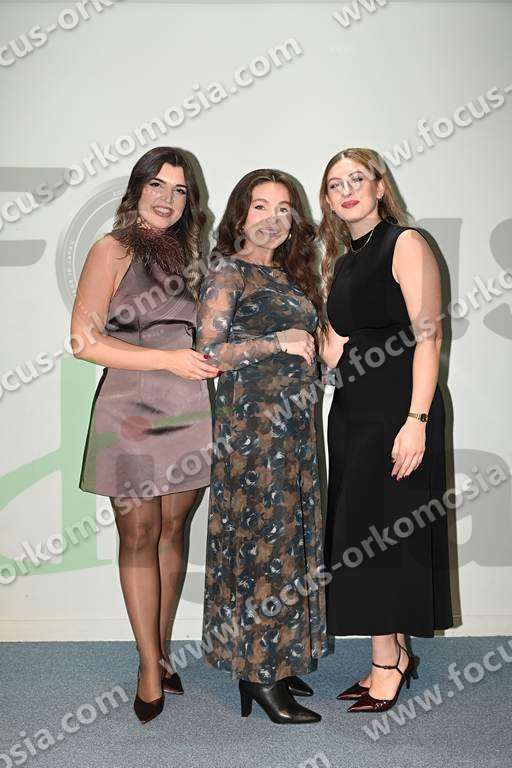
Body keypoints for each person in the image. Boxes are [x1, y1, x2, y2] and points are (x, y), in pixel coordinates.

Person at [71, 147, 219, 723]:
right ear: (137, 190)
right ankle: (149, 667)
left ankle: (159, 649)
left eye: (179, 190)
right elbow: (84, 342)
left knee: (173, 530)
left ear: (189, 202)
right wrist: (166, 361)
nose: (167, 198)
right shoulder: (111, 250)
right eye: (157, 185)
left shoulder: (194, 260)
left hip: (187, 408)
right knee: (138, 534)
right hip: (128, 408)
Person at [318, 147, 453, 713]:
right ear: (328, 201)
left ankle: (384, 666)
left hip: (400, 409)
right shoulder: (343, 261)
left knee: (387, 534)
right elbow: (334, 350)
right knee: (366, 533)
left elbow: (429, 336)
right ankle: (395, 653)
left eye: (357, 179)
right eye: (335, 184)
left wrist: (416, 420)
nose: (346, 190)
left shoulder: (405, 243)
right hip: (353, 413)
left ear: (379, 187)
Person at [196, 169, 330, 724]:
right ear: (240, 215)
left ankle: (280, 656)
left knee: (292, 539)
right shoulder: (229, 271)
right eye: (260, 207)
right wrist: (278, 340)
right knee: (261, 545)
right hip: (252, 432)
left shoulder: (293, 277)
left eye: (283, 209)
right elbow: (207, 353)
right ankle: (257, 673)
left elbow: (308, 350)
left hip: (295, 431)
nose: (272, 219)